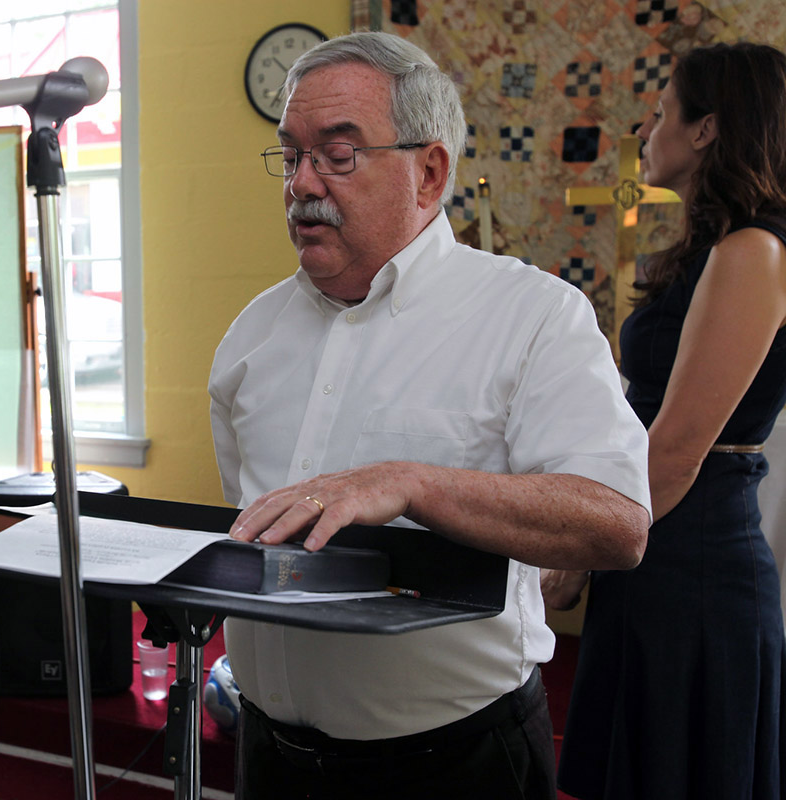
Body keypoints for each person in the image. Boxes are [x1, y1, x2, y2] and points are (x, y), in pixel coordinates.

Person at [208, 31, 652, 800]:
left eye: (338, 154)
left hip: (455, 768)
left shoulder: (534, 316)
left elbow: (615, 522)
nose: (301, 182)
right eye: (291, 154)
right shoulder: (251, 336)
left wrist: (410, 484)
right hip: (270, 761)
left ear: (430, 170)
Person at [547, 42, 786, 800]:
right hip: (656, 554)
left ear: (707, 128)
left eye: (660, 115)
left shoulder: (756, 250)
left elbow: (680, 447)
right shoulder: (718, 245)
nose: (647, 132)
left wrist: (582, 552)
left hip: (695, 568)